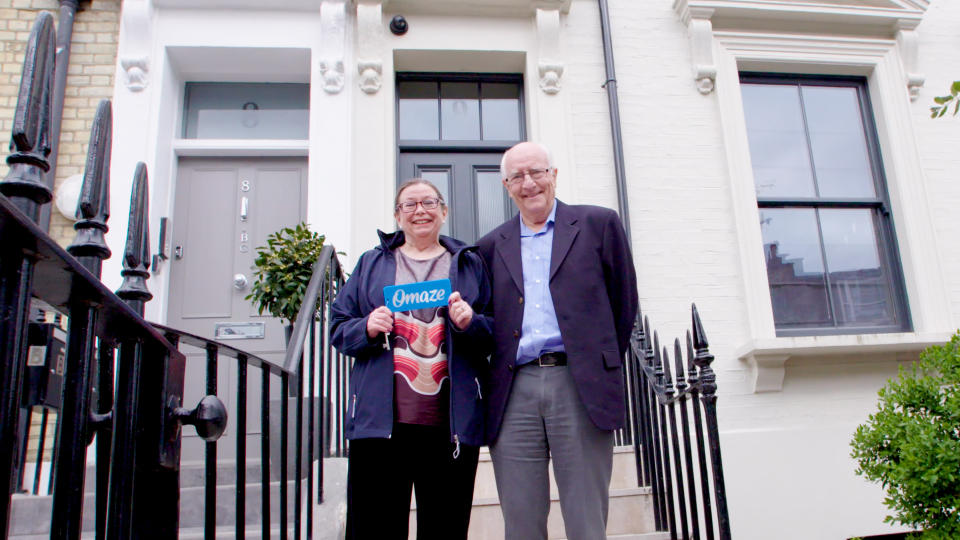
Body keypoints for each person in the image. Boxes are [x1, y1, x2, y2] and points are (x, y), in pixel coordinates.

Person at [476, 141, 638, 540]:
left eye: (537, 172)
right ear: (506, 185)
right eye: (517, 176)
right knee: (522, 522)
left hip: (578, 383)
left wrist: (592, 361)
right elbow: (487, 321)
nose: (529, 183)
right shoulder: (489, 246)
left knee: (585, 520)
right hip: (514, 389)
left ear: (554, 175)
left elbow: (624, 302)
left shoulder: (599, 224)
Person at [330, 179, 493, 540]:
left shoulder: (468, 264)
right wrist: (367, 327)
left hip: (449, 425)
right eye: (410, 205)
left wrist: (471, 323)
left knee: (445, 530)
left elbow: (495, 330)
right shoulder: (371, 264)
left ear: (444, 211)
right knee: (376, 530)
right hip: (380, 426)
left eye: (429, 202)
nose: (420, 210)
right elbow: (338, 327)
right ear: (397, 216)